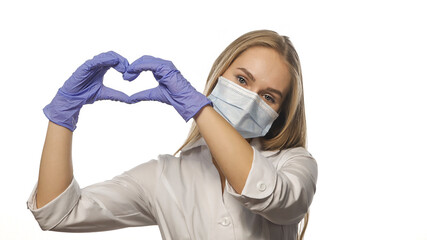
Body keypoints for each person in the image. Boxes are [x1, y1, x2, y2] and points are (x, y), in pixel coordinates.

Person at [27, 30, 318, 240]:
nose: (251, 99)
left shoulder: (295, 164)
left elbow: (271, 197)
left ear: (281, 112)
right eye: (241, 80)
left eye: (269, 97)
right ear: (219, 75)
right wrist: (63, 116)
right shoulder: (165, 176)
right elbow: (59, 213)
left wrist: (199, 109)